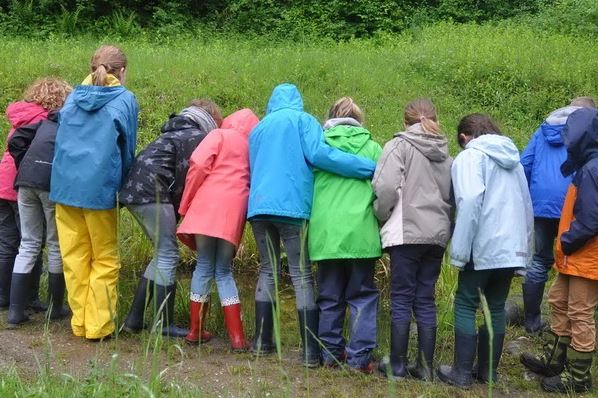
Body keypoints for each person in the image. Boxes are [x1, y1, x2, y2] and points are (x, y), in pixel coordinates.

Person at [248, 83, 376, 368]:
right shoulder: (302, 120)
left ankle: (261, 343)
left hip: (257, 207)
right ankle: (309, 353)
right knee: (302, 275)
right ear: (297, 100)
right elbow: (321, 155)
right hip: (291, 208)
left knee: (268, 270)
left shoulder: (258, 128)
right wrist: (367, 167)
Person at [437, 113, 533, 388]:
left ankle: (461, 373)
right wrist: (523, 251)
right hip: (511, 247)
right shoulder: (514, 161)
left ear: (465, 137)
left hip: (482, 245)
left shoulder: (470, 157)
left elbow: (468, 201)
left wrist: (460, 250)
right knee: (497, 306)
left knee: (466, 303)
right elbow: (527, 206)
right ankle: (488, 372)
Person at [50, 45, 138, 341]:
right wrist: (123, 186)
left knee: (73, 257)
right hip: (99, 190)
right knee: (104, 258)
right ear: (122, 71)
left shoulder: (72, 97)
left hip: (63, 187)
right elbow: (127, 150)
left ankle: (80, 323)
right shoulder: (125, 100)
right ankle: (98, 327)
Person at [120, 99, 221, 338]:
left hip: (134, 191)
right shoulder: (195, 137)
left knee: (161, 253)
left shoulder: (175, 130)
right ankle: (163, 324)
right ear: (209, 119)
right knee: (168, 253)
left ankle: (134, 320)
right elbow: (188, 178)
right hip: (152, 192)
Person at [373, 99, 453, 381]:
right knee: (425, 299)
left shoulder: (399, 145)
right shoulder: (446, 153)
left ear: (406, 121)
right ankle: (425, 368)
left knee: (402, 297)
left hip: (407, 232)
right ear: (435, 118)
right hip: (437, 235)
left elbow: (384, 187)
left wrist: (382, 216)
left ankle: (396, 366)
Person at [521, 107, 598, 393]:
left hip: (586, 256)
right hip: (574, 256)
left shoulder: (592, 169)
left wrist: (566, 241)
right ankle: (555, 360)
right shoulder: (587, 165)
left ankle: (578, 379)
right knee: (558, 300)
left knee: (580, 314)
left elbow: (591, 219)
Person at [308, 97, 382, 373]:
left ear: (330, 117)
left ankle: (329, 355)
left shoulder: (319, 146)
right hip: (361, 234)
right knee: (362, 296)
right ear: (359, 120)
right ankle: (359, 359)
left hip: (326, 235)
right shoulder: (374, 148)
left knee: (329, 297)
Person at [177, 108, 259, 350]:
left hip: (206, 205)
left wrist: (185, 204)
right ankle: (237, 338)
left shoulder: (219, 135)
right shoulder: (253, 148)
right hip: (234, 210)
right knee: (223, 271)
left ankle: (195, 330)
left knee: (203, 266)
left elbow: (198, 165)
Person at [6, 78, 72, 326]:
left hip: (25, 183)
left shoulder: (42, 123)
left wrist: (24, 164)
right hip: (49, 185)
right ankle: (55, 309)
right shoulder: (69, 128)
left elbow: (15, 141)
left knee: (28, 244)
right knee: (55, 244)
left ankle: (15, 313)